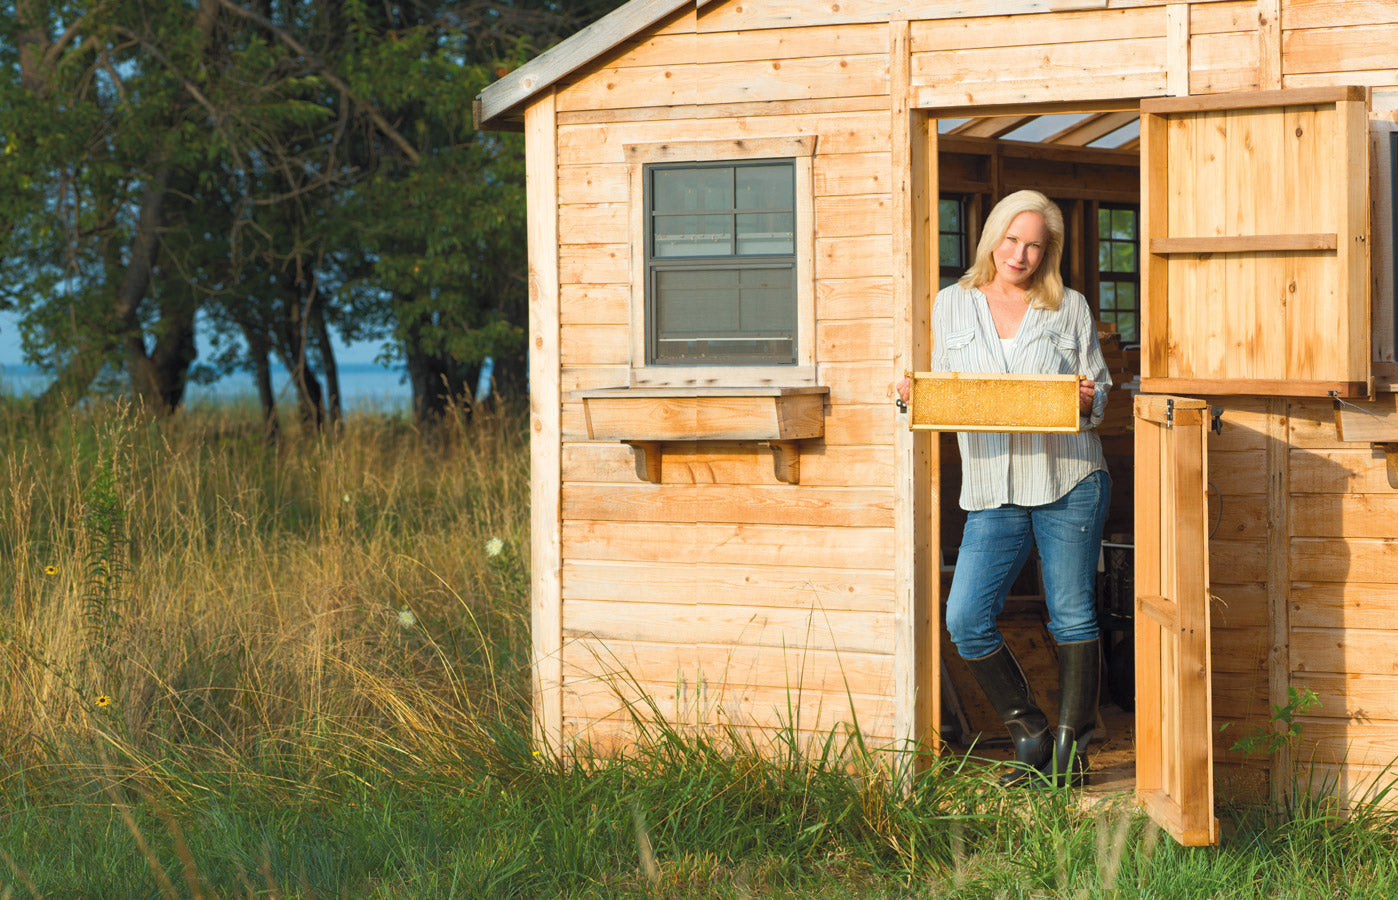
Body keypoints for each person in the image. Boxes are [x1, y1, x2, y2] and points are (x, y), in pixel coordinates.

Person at [897, 190, 1111, 787]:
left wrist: (1090, 401)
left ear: (1048, 253)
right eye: (1012, 240)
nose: (1020, 254)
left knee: (1071, 612)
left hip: (1070, 479)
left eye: (1034, 245)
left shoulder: (1069, 306)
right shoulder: (951, 305)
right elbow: (941, 386)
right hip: (993, 487)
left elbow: (1099, 390)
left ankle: (1071, 752)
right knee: (966, 617)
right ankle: (1031, 732)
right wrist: (912, 395)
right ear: (992, 238)